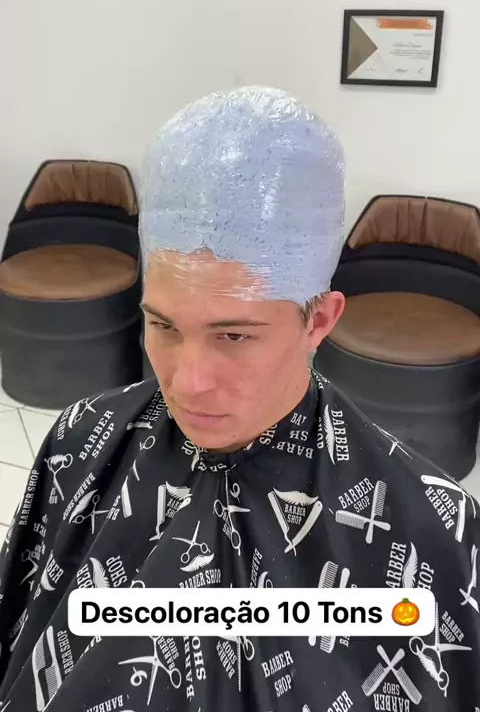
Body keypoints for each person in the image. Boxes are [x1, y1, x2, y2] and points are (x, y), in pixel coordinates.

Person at [0, 86, 479, 711]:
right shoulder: (81, 440)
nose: (186, 381)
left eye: (233, 335)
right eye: (163, 325)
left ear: (319, 320)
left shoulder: (433, 524)